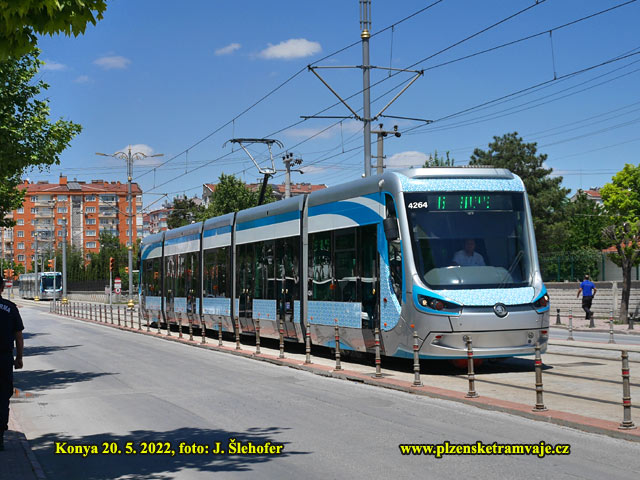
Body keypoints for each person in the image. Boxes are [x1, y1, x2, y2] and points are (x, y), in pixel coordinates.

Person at [0, 277, 24, 451]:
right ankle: (0, 435)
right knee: (2, 397)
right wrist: (19, 358)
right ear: (2, 287)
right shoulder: (10, 308)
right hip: (4, 360)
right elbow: (19, 337)